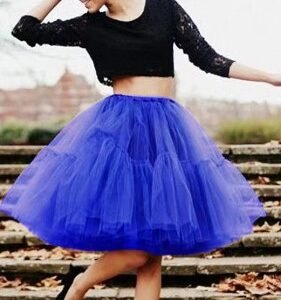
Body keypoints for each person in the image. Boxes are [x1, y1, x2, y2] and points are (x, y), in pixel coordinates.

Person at [0, 0, 280, 299]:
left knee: (151, 259)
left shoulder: (164, 9)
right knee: (137, 253)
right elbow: (24, 29)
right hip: (121, 136)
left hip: (166, 134)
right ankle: (79, 284)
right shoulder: (90, 26)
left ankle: (78, 284)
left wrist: (271, 77)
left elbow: (208, 58)